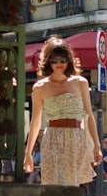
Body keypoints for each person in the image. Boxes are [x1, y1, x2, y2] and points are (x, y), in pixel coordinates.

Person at [23, 37, 102, 186]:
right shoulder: (40, 87)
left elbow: (89, 115)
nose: (59, 64)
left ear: (69, 60)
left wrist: (97, 146)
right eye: (54, 60)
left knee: (72, 187)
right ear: (47, 61)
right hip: (52, 138)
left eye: (63, 59)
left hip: (76, 138)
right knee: (52, 187)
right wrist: (28, 153)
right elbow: (35, 121)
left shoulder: (80, 82)